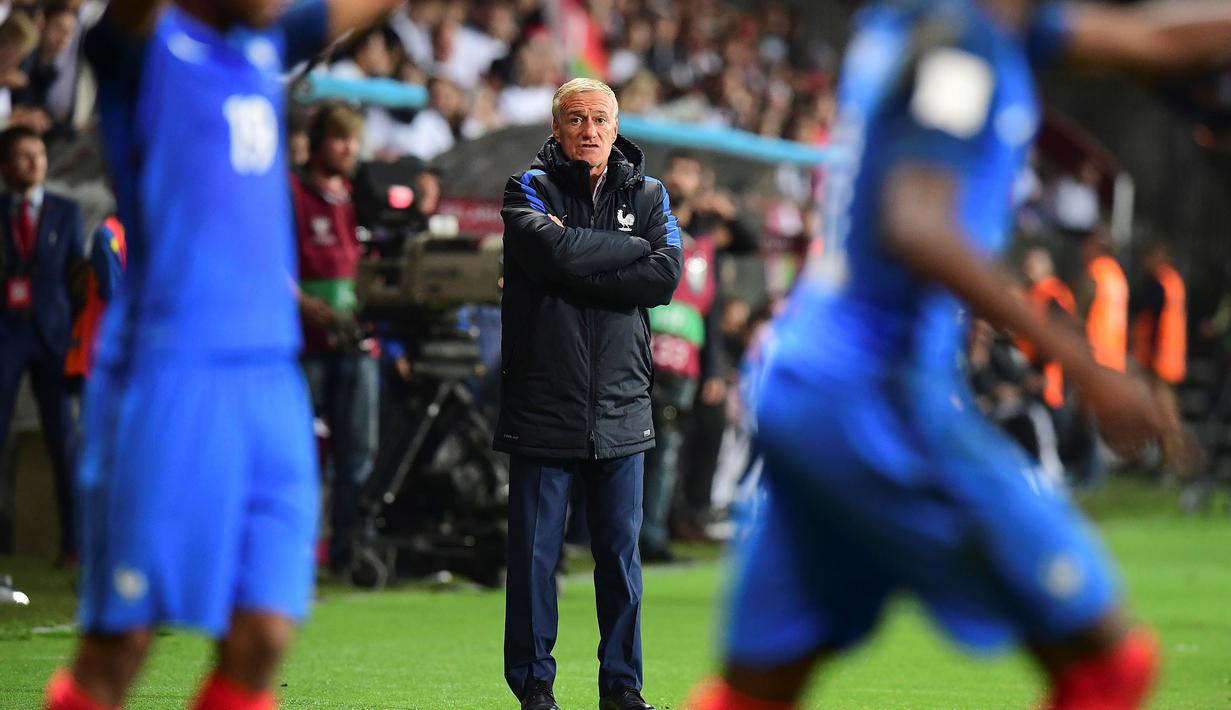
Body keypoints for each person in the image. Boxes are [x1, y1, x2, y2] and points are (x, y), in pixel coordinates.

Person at [688, 2, 1224, 709]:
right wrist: (1091, 368)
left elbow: (1154, 42)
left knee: (755, 690)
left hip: (807, 387)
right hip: (871, 396)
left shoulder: (945, 23)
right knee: (1105, 663)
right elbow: (917, 225)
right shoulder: (959, 54)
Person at [43, 2, 402, 710]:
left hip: (271, 376)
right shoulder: (140, 46)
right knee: (122, 644)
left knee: (264, 632)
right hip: (169, 372)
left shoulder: (264, 38)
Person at [497, 77, 681, 710]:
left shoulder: (652, 194)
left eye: (599, 118)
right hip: (544, 402)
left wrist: (578, 260)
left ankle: (622, 690)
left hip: (623, 406)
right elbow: (547, 255)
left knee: (620, 562)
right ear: (556, 128)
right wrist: (625, 254)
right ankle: (535, 688)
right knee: (533, 559)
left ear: (617, 123)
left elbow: (665, 275)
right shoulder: (525, 189)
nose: (588, 130)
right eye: (575, 119)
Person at [292, 102, 378, 576]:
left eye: (354, 140)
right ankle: (292, 557)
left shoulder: (361, 195)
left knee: (357, 457)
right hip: (302, 346)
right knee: (298, 457)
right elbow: (267, 261)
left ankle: (346, 554)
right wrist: (302, 304)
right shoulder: (290, 192)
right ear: (317, 144)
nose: (349, 149)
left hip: (357, 345)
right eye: (339, 139)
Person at [0, 124, 85, 566]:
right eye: (23, 155)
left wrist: (73, 333)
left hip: (52, 336)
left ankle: (73, 543)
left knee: (63, 439)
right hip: (5, 334)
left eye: (39, 154)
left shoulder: (65, 211)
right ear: (4, 166)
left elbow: (77, 277)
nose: (34, 162)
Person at [640, 149, 721, 562]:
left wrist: (714, 369)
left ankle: (653, 536)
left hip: (683, 363)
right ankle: (592, 532)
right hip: (639, 355)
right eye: (676, 169)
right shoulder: (644, 219)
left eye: (690, 172)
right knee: (622, 450)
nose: (680, 177)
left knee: (667, 454)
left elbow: (714, 307)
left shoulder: (707, 241)